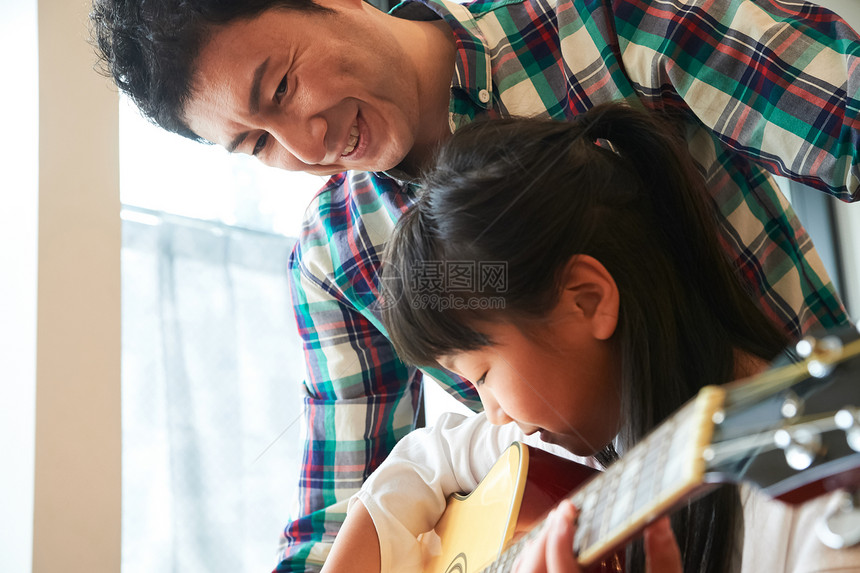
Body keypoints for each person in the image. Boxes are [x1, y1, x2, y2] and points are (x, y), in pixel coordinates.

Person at [89, 0, 860, 569]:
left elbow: (842, 111)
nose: (306, 145)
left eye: (282, 84)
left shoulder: (596, 23)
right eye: (257, 143)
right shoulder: (338, 251)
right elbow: (353, 499)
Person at [320, 103, 860, 573]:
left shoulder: (821, 519)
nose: (495, 415)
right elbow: (423, 457)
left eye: (483, 374)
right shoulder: (575, 435)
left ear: (587, 300)